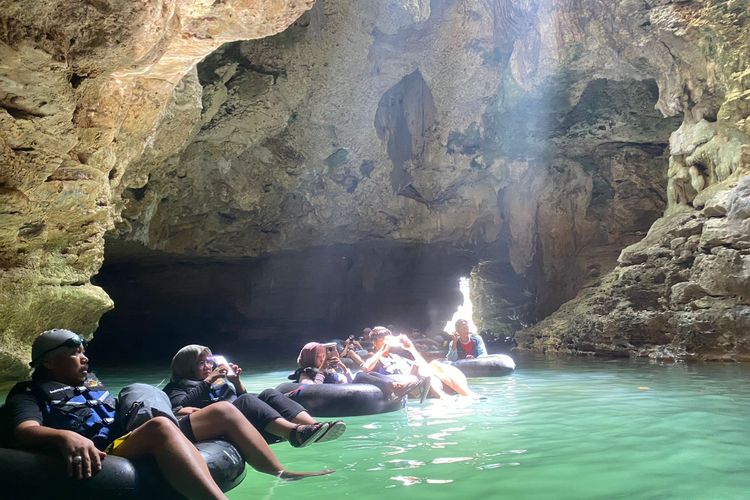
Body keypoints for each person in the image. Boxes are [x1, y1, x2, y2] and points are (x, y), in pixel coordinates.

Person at [4, 330, 331, 500]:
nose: (84, 359)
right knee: (160, 425)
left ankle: (281, 471)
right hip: (105, 453)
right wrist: (65, 436)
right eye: (74, 353)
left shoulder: (90, 385)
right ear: (48, 362)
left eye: (83, 351)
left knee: (223, 410)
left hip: (125, 434)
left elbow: (119, 408)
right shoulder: (29, 392)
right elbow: (23, 430)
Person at [164, 345, 345, 448]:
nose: (207, 367)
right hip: (223, 429)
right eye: (200, 363)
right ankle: (293, 433)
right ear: (186, 366)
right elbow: (179, 407)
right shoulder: (175, 387)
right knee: (246, 399)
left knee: (268, 393)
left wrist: (235, 381)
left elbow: (241, 398)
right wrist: (210, 380)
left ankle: (313, 427)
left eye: (208, 362)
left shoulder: (218, 383)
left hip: (243, 420)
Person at [362, 326, 478, 399]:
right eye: (382, 341)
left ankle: (466, 393)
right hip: (402, 386)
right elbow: (365, 369)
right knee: (431, 366)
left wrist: (411, 348)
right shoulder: (374, 358)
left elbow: (425, 367)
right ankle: (447, 397)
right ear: (374, 343)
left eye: (388, 340)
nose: (386, 343)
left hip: (416, 382)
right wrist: (382, 350)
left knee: (434, 364)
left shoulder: (397, 357)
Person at [289, 342, 423, 403]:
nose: (322, 358)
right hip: (337, 398)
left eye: (322, 355)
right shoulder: (305, 373)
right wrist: (322, 370)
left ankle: (398, 384)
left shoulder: (327, 369)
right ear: (309, 358)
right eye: (319, 356)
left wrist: (343, 368)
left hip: (347, 388)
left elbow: (346, 380)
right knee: (360, 375)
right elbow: (311, 389)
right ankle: (396, 387)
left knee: (370, 374)